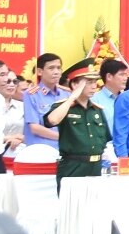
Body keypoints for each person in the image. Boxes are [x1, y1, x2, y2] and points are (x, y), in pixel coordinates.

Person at [46, 59, 111, 191]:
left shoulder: (97, 110)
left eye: (94, 82)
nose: (94, 86)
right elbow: (52, 120)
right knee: (71, 208)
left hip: (96, 166)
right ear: (75, 84)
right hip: (73, 166)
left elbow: (105, 139)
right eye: (88, 82)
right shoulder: (63, 107)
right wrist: (72, 98)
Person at [18, 53, 67, 165]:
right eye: (51, 68)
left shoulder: (66, 94)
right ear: (40, 71)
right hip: (40, 154)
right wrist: (64, 137)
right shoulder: (31, 95)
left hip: (64, 152)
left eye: (59, 68)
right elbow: (35, 128)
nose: (56, 72)